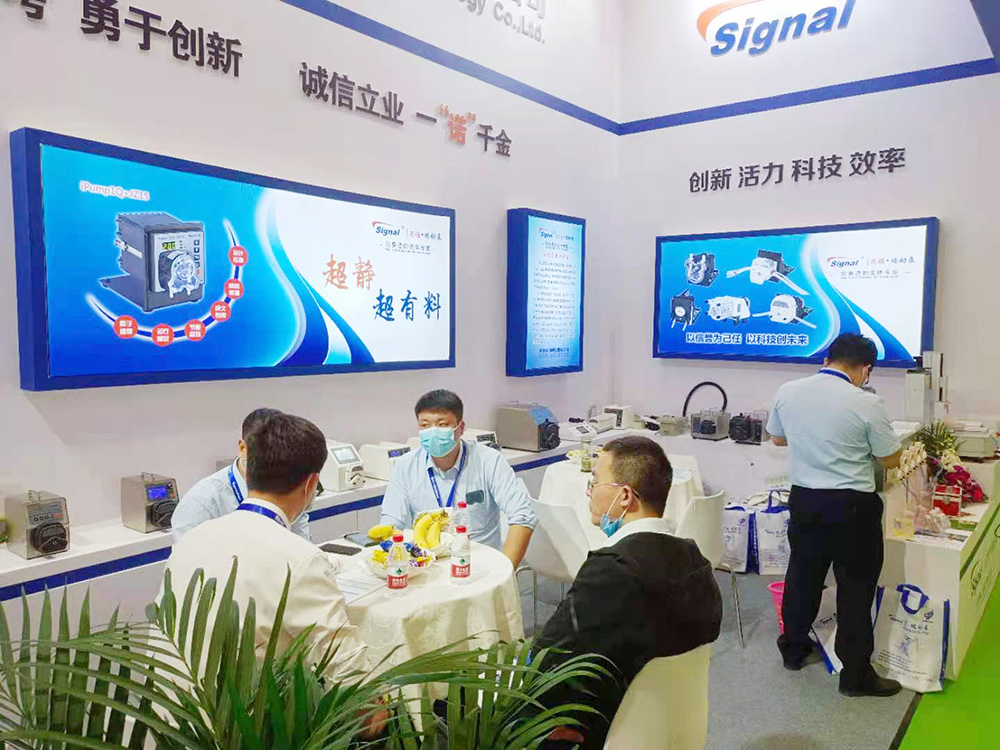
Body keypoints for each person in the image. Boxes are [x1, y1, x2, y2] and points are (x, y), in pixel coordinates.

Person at [535, 436, 723, 750]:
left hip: (611, 728)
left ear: (624, 496)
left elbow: (551, 658)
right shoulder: (696, 560)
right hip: (679, 724)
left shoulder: (611, 570)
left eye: (595, 482)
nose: (589, 492)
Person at [162, 412, 371, 687]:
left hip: (173, 702)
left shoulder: (193, 540)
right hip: (246, 709)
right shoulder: (301, 561)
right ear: (311, 484)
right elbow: (348, 671)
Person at [767, 333, 903, 697]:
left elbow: (777, 439)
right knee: (855, 588)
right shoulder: (867, 403)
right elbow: (891, 458)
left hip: (805, 500)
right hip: (853, 507)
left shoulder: (788, 391)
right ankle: (855, 676)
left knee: (802, 576)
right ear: (866, 369)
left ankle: (793, 651)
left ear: (827, 359)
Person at [379, 389, 538, 568]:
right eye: (425, 425)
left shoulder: (488, 460)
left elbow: (523, 517)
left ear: (460, 428)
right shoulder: (405, 466)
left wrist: (505, 572)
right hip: (427, 568)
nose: (433, 432)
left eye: (442, 425)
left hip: (480, 567)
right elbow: (391, 523)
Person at [171, 408, 312, 542]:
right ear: (243, 448)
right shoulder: (200, 505)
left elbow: (302, 545)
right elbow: (192, 557)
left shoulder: (290, 488)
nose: (273, 459)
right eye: (264, 451)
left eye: (280, 452)